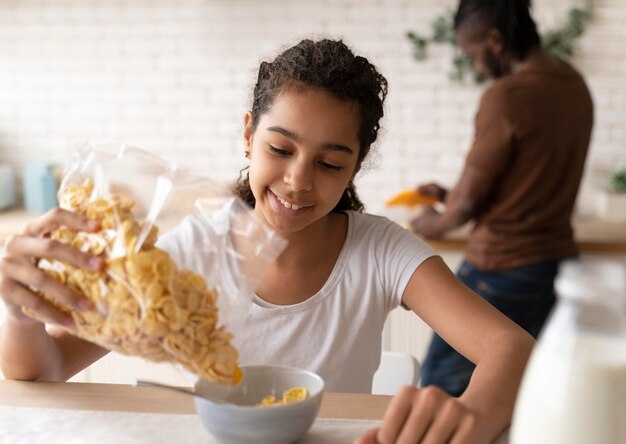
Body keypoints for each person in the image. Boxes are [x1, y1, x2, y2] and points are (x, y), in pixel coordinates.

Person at [0, 38, 534, 443]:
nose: (298, 181)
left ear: (355, 168)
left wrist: (476, 412)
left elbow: (511, 346)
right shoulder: (187, 253)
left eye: (328, 163)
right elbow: (44, 368)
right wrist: (21, 311)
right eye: (280, 149)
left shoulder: (380, 251)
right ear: (249, 135)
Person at [411, 0, 594, 398]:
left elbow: (464, 208)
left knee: (439, 388)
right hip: (557, 267)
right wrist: (450, 194)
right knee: (533, 391)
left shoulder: (507, 97)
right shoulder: (574, 84)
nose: (475, 66)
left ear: (494, 40)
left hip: (502, 269)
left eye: (471, 53)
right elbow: (528, 180)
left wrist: (429, 223)